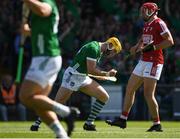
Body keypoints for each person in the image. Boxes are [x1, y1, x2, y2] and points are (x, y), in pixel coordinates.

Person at [106, 2, 174, 132]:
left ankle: (157, 123)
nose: (141, 13)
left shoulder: (159, 23)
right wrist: (136, 47)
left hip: (155, 62)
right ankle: (122, 119)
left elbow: (170, 41)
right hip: (143, 60)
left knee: (148, 94)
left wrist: (152, 47)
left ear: (150, 11)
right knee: (130, 88)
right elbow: (144, 39)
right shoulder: (147, 24)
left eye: (144, 11)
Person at [29, 37, 122, 131]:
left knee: (104, 96)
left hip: (83, 77)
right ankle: (37, 123)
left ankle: (89, 124)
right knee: (57, 102)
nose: (112, 55)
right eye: (114, 52)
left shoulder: (99, 50)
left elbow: (88, 71)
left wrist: (104, 76)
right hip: (73, 76)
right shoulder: (93, 48)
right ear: (110, 46)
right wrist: (107, 73)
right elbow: (92, 70)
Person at [19, 0, 79, 138]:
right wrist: (25, 26)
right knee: (38, 102)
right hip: (42, 58)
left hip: (47, 57)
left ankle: (67, 112)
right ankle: (61, 134)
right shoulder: (37, 10)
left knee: (24, 96)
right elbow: (31, 31)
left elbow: (43, 10)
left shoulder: (48, 3)